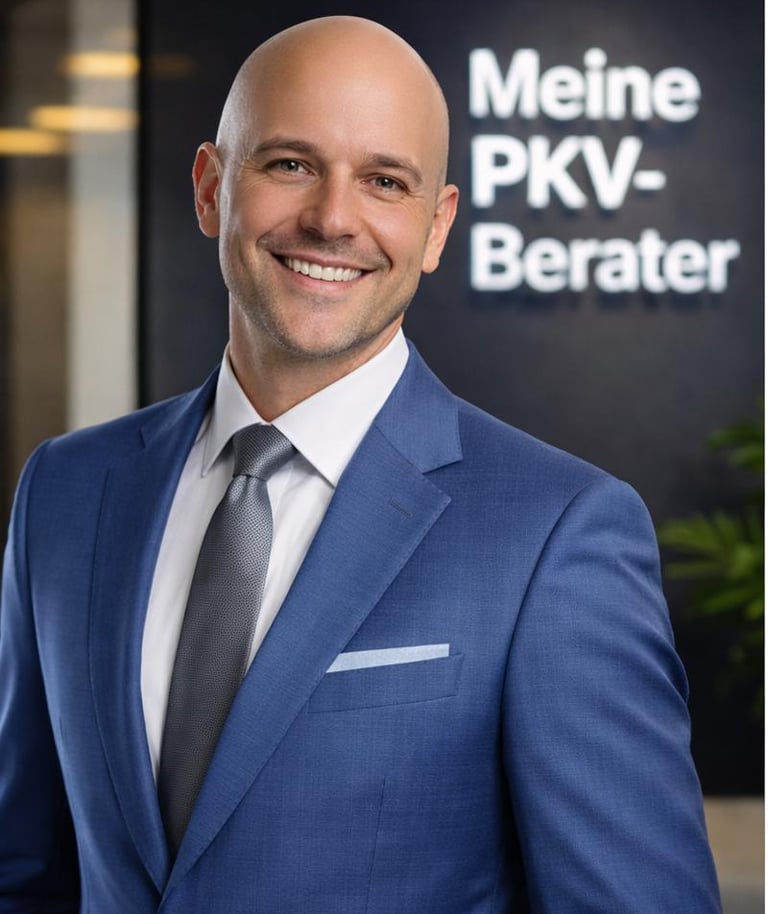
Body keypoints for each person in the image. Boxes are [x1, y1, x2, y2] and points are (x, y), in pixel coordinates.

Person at [0, 15, 722, 914]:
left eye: (384, 181)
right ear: (210, 188)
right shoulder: (66, 494)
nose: (332, 219)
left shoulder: (557, 535)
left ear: (435, 227)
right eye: (290, 164)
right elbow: (28, 874)